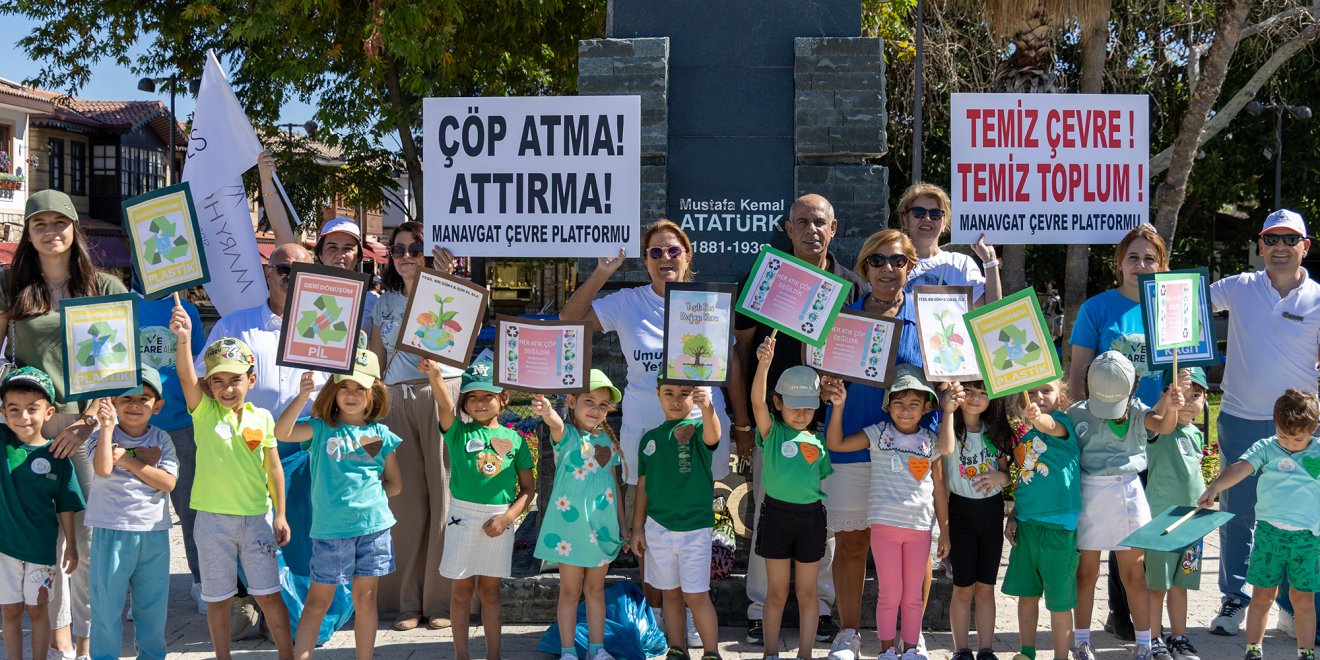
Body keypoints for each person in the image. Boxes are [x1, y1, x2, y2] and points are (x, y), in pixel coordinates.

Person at [561, 219, 734, 645]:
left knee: (695, 515)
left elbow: (733, 361)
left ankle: (692, 608)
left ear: (687, 256)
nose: (665, 259)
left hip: (702, 423)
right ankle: (656, 615)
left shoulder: (707, 302)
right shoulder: (628, 301)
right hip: (645, 424)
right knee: (647, 517)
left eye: (673, 251)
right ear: (645, 261)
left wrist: (742, 423)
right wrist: (602, 271)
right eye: (655, 252)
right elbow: (570, 320)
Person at [0, 189, 127, 658]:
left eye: (60, 222)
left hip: (87, 433)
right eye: (40, 224)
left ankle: (85, 642)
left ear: (76, 229)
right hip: (28, 434)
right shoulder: (7, 286)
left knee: (88, 543)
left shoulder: (108, 290)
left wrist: (88, 422)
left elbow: (118, 372)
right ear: (28, 234)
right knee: (41, 541)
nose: (51, 232)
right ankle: (55, 637)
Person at [730, 195, 861, 645]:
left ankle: (820, 607)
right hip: (778, 427)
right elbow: (741, 352)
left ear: (834, 227)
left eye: (820, 222)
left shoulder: (850, 284)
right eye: (802, 222)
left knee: (820, 516)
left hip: (832, 426)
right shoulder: (767, 280)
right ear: (788, 228)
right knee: (769, 510)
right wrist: (744, 424)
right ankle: (758, 606)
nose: (812, 230)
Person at [1208, 209, 1320, 638]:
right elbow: (1179, 302)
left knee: (1300, 516)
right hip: (1240, 418)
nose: (1280, 247)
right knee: (1238, 514)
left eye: (1290, 240)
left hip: (1301, 432)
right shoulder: (1238, 287)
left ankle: (1293, 607)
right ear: (1260, 245)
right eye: (1272, 238)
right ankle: (1235, 599)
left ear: (1304, 247)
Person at [824, 229, 931, 660]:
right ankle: (849, 633)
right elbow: (821, 378)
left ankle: (912, 635)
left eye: (899, 261)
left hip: (912, 449)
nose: (889, 269)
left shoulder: (930, 320)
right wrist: (825, 384)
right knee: (852, 543)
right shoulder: (842, 319)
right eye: (879, 261)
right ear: (865, 267)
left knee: (915, 544)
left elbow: (946, 374)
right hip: (853, 441)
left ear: (911, 267)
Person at [173, 300, 294, 660]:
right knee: (218, 598)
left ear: (251, 379)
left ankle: (288, 654)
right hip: (211, 522)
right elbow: (185, 376)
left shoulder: (264, 419)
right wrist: (184, 340)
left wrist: (281, 514)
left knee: (269, 595)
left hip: (257, 520)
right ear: (208, 384)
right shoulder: (203, 411)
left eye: (235, 379)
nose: (227, 388)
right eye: (218, 381)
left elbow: (274, 469)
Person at [1068, 223, 1171, 642]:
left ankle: (1145, 621)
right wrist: (1077, 429)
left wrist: (1178, 411)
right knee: (1105, 529)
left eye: (1149, 258)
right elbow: (1077, 375)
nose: (1141, 265)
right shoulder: (1097, 308)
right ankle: (1118, 616)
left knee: (1140, 535)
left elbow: (1188, 370)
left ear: (1161, 265)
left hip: (1157, 428)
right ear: (1119, 264)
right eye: (1133, 257)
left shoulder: (1170, 310)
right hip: (1105, 436)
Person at [275, 349, 402, 660]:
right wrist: (303, 394)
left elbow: (395, 484)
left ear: (375, 393)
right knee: (318, 601)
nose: (351, 394)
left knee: (366, 599)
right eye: (344, 387)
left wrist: (368, 498)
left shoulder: (380, 435)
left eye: (360, 388)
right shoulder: (320, 429)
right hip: (331, 532)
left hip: (373, 530)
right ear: (332, 392)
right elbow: (282, 432)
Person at [368, 221, 461, 630]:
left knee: (443, 495)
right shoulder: (383, 302)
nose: (407, 256)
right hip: (394, 399)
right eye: (399, 248)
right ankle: (407, 600)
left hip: (438, 392)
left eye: (415, 247)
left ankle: (441, 601)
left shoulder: (450, 292)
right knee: (404, 502)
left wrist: (447, 282)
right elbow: (374, 354)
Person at [827, 364, 952, 660]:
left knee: (912, 595)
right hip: (884, 528)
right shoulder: (878, 433)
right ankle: (885, 651)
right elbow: (836, 443)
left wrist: (949, 410)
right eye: (898, 402)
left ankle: (910, 648)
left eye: (914, 404)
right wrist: (840, 406)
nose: (906, 410)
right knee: (889, 593)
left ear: (925, 407)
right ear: (888, 406)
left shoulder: (931, 442)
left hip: (920, 530)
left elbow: (945, 460)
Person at [1067, 352, 1184, 660]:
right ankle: (1081, 641)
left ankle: (1145, 642)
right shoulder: (1076, 412)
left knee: (1133, 573)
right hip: (1088, 495)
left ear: (1132, 388)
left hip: (1128, 494)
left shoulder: (1136, 410)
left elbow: (1163, 426)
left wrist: (1171, 408)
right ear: (1089, 386)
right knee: (1085, 573)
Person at [1198, 388, 1320, 660]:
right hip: (1269, 536)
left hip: (1307, 540)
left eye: (1297, 438)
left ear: (1314, 428)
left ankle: (1306, 652)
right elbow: (1240, 467)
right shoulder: (1267, 447)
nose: (1288, 442)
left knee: (1304, 600)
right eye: (1283, 435)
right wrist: (1215, 486)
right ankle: (1253, 649)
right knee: (1262, 596)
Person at [427, 356, 535, 660]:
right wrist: (435, 375)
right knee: (460, 592)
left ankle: (494, 655)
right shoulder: (458, 432)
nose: (479, 402)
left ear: (504, 398)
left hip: (499, 519)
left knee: (490, 592)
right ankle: (462, 655)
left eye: (488, 396)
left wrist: (507, 518)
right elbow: (444, 407)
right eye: (472, 396)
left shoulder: (515, 440)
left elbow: (528, 489)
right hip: (462, 517)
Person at [532, 370, 627, 660]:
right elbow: (555, 423)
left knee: (595, 589)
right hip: (570, 531)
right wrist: (548, 410)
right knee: (570, 592)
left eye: (602, 404)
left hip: (603, 528)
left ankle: (597, 650)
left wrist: (623, 527)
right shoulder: (567, 435)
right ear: (572, 401)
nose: (595, 409)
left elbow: (614, 486)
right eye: (589, 401)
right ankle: (568, 651)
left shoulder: (609, 442)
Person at [86, 366, 178, 660]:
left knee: (151, 609)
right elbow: (102, 467)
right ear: (112, 402)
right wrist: (107, 428)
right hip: (110, 531)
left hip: (153, 533)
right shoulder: (101, 435)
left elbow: (168, 482)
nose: (135, 404)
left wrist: (127, 459)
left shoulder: (162, 438)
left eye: (144, 398)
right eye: (126, 398)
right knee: (105, 609)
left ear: (157, 406)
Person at [628, 384, 724, 660]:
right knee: (670, 592)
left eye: (684, 393)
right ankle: (678, 648)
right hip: (658, 527)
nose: (676, 400)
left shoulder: (698, 430)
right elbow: (642, 486)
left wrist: (707, 408)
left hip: (694, 528)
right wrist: (638, 527)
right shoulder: (650, 439)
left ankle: (711, 652)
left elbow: (713, 435)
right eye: (668, 393)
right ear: (657, 395)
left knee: (696, 595)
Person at [753, 338, 833, 660]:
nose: (801, 413)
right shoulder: (772, 434)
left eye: (809, 405)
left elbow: (821, 478)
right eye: (793, 404)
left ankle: (805, 654)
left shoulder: (820, 441)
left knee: (807, 591)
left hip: (811, 519)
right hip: (776, 516)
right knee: (776, 591)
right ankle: (770, 652)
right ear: (778, 402)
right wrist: (763, 364)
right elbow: (756, 404)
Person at [0, 367, 83, 660]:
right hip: (5, 549)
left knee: (37, 609)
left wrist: (71, 545)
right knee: (10, 611)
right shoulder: (2, 442)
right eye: (14, 409)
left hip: (41, 550)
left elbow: (67, 504)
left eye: (32, 408)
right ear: (3, 412)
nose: (23, 416)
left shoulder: (57, 455)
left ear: (49, 412)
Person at [201, 242, 327, 419]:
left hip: (310, 437)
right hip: (249, 438)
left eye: (302, 272)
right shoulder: (232, 325)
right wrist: (229, 415)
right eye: (285, 269)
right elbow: (201, 377)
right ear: (269, 273)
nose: (293, 276)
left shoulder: (327, 329)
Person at [138, 293, 206, 613]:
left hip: (182, 424)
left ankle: (202, 581)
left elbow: (199, 369)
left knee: (191, 508)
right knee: (137, 515)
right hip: (135, 427)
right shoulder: (123, 305)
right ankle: (139, 590)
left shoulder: (187, 308)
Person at [1005, 379, 1080, 660]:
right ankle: (1027, 652)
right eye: (1032, 392)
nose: (1038, 397)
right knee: (1027, 595)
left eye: (1046, 391)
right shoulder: (1022, 436)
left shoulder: (1063, 424)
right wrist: (1014, 514)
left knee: (1059, 602)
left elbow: (1049, 426)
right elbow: (1026, 480)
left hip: (1058, 529)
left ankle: (1062, 655)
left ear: (1061, 396)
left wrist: (1039, 418)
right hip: (1027, 525)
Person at [937, 381, 1012, 660]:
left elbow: (1006, 475)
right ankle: (961, 649)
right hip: (960, 513)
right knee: (962, 588)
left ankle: (986, 649)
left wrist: (999, 478)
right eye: (969, 391)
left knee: (985, 587)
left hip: (991, 513)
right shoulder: (951, 431)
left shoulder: (997, 433)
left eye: (983, 393)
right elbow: (944, 451)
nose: (976, 398)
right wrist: (948, 410)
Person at [1144, 368, 1209, 660]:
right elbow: (1155, 419)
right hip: (1163, 522)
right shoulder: (1161, 427)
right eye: (1182, 394)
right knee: (1157, 584)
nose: (1188, 401)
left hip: (1192, 522)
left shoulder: (1196, 433)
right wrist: (1168, 399)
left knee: (1181, 583)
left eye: (1196, 395)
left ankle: (1179, 637)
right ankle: (1154, 638)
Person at [895, 182, 1001, 306]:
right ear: (904, 219)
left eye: (935, 214)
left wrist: (990, 261)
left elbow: (991, 312)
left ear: (944, 223)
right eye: (919, 212)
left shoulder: (961, 264)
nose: (927, 218)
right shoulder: (889, 262)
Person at [315, 217, 376, 334]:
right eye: (332, 247)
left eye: (348, 248)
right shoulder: (304, 294)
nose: (340, 254)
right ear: (320, 254)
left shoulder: (373, 302)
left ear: (358, 256)